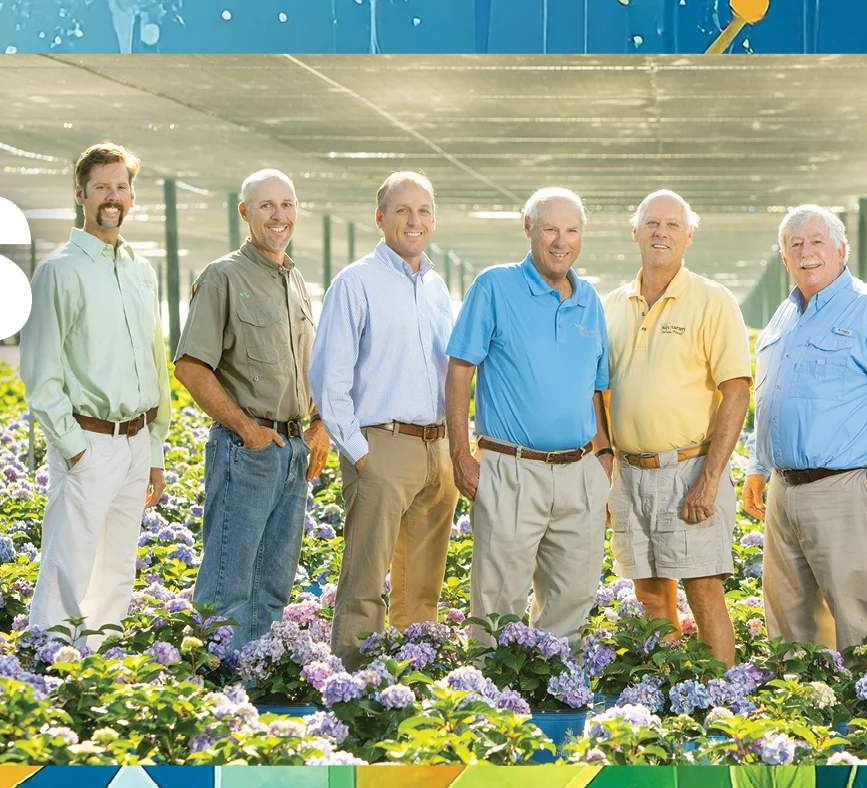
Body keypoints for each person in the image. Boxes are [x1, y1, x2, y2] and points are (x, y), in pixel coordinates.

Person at [743, 205, 867, 650]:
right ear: (785, 259)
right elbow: (769, 397)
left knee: (861, 620)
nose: (806, 252)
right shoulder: (783, 318)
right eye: (795, 244)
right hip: (785, 493)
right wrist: (758, 465)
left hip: (848, 490)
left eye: (816, 241)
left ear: (842, 249)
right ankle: (805, 710)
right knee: (789, 620)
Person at [445, 188, 615, 645]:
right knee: (496, 605)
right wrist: (460, 454)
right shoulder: (494, 287)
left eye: (572, 230)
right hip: (511, 469)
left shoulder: (589, 301)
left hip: (579, 473)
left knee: (573, 600)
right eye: (551, 229)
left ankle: (552, 703)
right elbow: (460, 369)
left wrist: (605, 458)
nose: (562, 241)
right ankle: (489, 706)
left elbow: (598, 387)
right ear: (529, 229)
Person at [174, 169, 331, 646]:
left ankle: (256, 686)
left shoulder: (296, 279)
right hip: (248, 449)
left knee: (273, 585)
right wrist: (247, 430)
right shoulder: (223, 276)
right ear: (245, 212)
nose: (279, 215)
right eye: (267, 206)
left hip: (292, 449)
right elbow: (190, 367)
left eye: (287, 205)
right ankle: (216, 686)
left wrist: (319, 424)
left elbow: (313, 364)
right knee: (229, 583)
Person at [19, 143, 170, 633]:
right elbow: (40, 375)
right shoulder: (59, 271)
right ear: (80, 195)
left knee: (117, 564)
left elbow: (155, 364)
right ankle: (47, 662)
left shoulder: (140, 271)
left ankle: (100, 662)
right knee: (69, 561)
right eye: (102, 187)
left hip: (137, 439)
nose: (113, 196)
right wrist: (75, 451)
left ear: (131, 197)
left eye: (121, 187)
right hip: (90, 440)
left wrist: (155, 451)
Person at [309, 171, 458, 663]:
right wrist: (360, 453)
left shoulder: (438, 288)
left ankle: (412, 675)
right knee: (364, 583)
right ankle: (353, 679)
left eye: (423, 211)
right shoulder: (356, 283)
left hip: (436, 449)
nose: (414, 222)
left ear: (433, 219)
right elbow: (328, 378)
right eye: (402, 211)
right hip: (382, 446)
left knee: (423, 585)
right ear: (380, 219)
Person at [601, 190, 751, 666]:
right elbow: (596, 393)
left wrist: (708, 478)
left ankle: (723, 703)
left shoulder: (712, 300)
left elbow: (737, 390)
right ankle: (668, 694)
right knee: (648, 593)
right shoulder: (610, 305)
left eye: (671, 225)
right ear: (635, 233)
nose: (660, 232)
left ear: (688, 235)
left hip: (688, 469)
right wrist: (606, 466)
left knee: (704, 590)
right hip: (627, 471)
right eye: (651, 224)